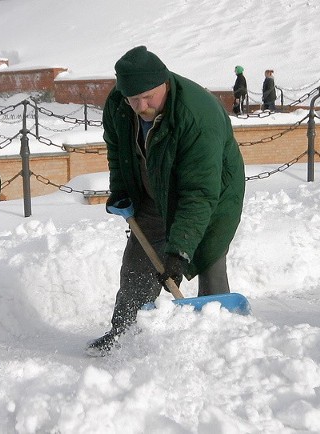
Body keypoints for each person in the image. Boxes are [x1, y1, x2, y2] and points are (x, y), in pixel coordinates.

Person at [86, 46, 245, 356]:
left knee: (208, 257)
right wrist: (121, 190)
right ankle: (124, 333)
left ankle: (217, 342)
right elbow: (118, 151)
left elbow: (199, 193)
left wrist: (179, 251)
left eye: (149, 98)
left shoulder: (198, 115)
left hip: (211, 194)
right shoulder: (119, 105)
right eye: (134, 99)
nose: (142, 107)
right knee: (137, 262)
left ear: (165, 83)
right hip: (152, 191)